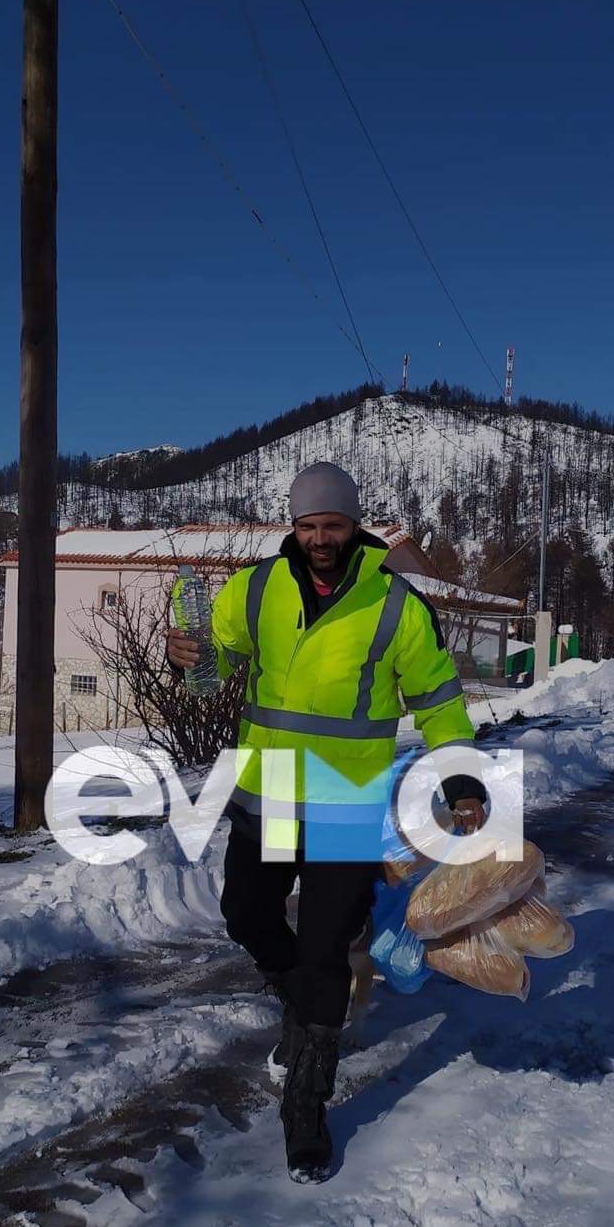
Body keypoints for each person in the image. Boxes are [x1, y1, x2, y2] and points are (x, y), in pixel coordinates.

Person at [167, 462, 486, 1183]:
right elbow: (211, 662)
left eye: (331, 526)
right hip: (270, 791)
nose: (318, 539)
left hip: (345, 800)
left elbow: (438, 699)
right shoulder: (255, 590)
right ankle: (302, 999)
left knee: (321, 953)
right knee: (246, 914)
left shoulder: (395, 605)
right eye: (307, 527)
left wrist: (461, 778)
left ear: (353, 524)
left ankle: (305, 1103)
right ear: (294, 527)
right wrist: (183, 655)